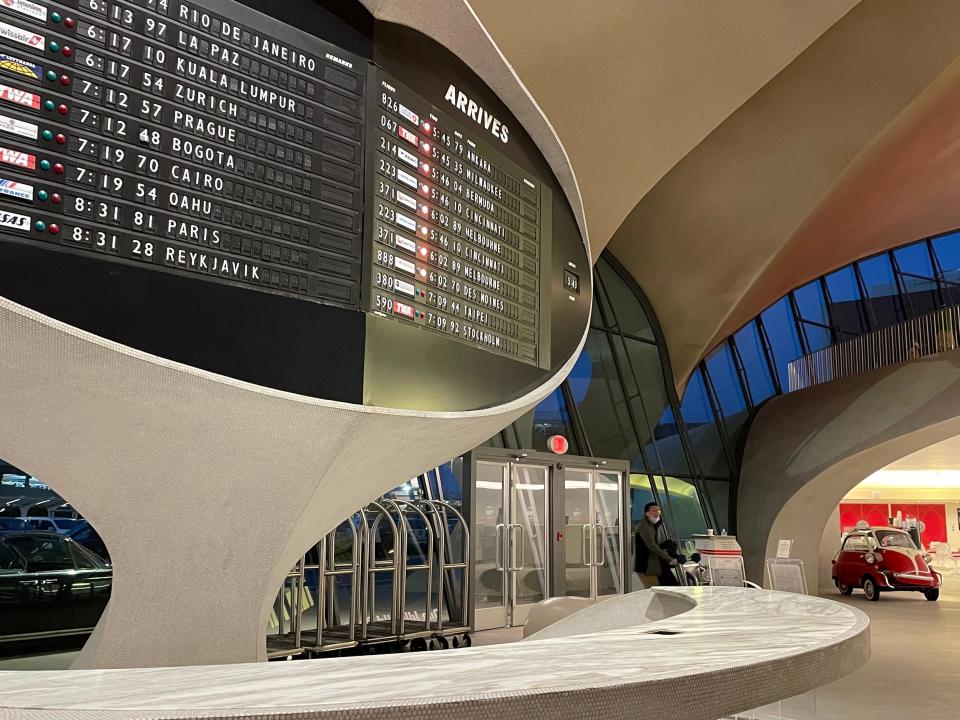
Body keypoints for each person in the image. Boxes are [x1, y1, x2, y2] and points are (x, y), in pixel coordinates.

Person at [634, 502, 678, 587]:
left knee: (670, 586)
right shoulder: (644, 526)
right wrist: (669, 559)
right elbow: (652, 546)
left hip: (657, 564)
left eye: (658, 510)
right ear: (647, 513)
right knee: (656, 590)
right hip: (647, 566)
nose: (656, 513)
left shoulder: (656, 525)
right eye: (653, 510)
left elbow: (659, 544)